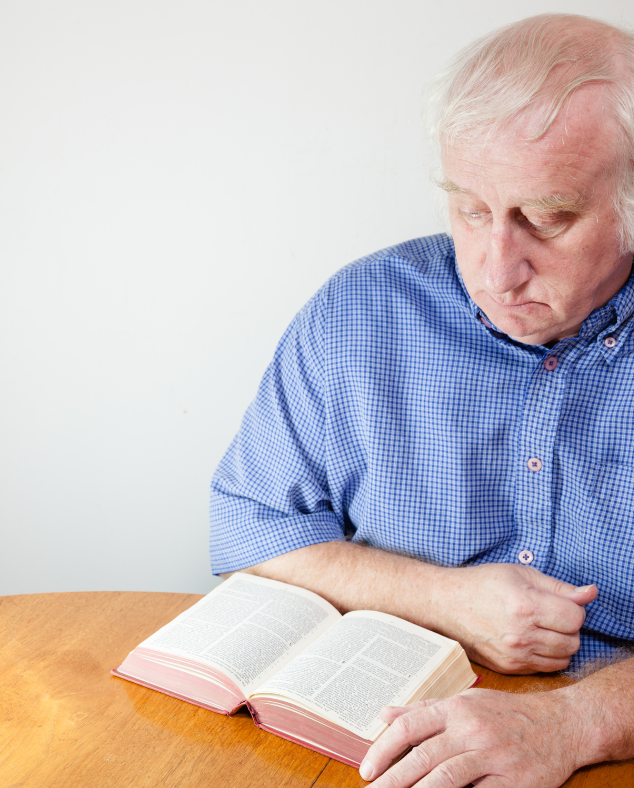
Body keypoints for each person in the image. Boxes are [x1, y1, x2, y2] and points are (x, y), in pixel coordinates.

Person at [209, 13, 634, 788]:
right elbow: (247, 526)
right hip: (369, 736)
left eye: (546, 217)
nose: (497, 270)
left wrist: (578, 722)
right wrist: (442, 599)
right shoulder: (361, 313)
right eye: (471, 209)